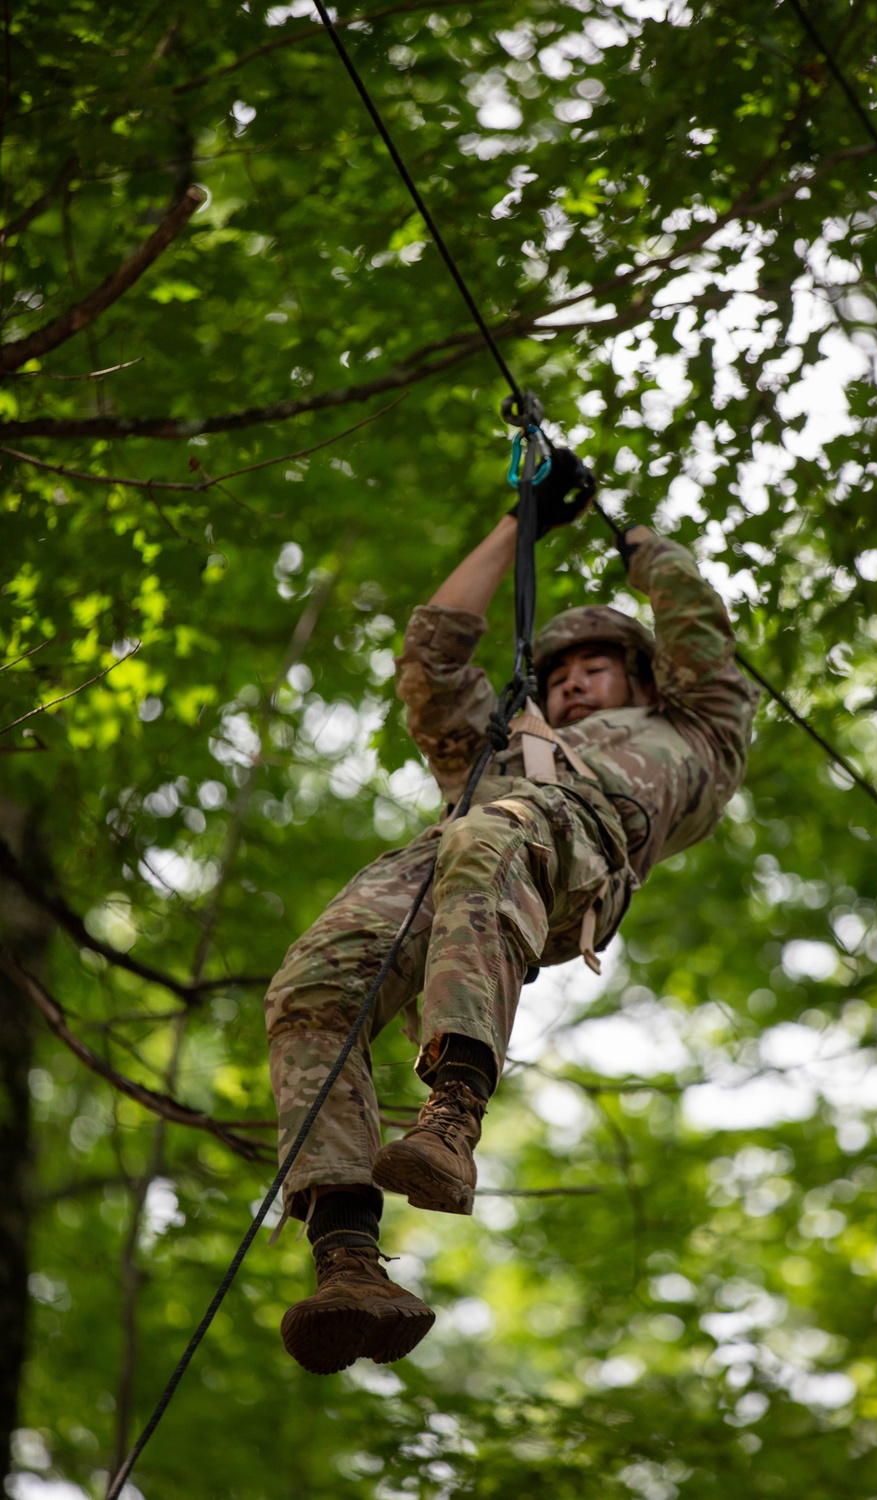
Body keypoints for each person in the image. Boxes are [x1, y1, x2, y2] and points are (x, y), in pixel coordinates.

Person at [263, 448, 759, 1375]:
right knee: (310, 987)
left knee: (490, 836)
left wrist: (641, 547)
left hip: (569, 843)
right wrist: (518, 526)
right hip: (454, 856)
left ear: (645, 682)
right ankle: (349, 1261)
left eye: (598, 665)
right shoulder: (494, 748)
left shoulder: (698, 731)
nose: (570, 681)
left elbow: (694, 619)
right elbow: (433, 654)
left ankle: (452, 1118)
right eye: (557, 670)